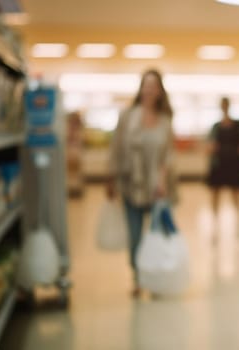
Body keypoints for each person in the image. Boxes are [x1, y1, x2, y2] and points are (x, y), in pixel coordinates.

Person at [106, 68, 176, 298]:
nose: (148, 90)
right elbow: (116, 147)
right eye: (145, 85)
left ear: (159, 91)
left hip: (157, 186)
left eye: (153, 85)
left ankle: (155, 278)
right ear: (141, 88)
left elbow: (167, 154)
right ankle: (138, 277)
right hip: (131, 183)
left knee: (156, 234)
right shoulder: (127, 116)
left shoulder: (166, 120)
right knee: (135, 235)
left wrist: (163, 181)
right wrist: (111, 177)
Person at [205, 96, 239, 232]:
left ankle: (238, 223)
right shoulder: (216, 126)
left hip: (233, 164)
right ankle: (215, 223)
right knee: (215, 194)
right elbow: (209, 146)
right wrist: (211, 148)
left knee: (236, 194)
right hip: (219, 164)